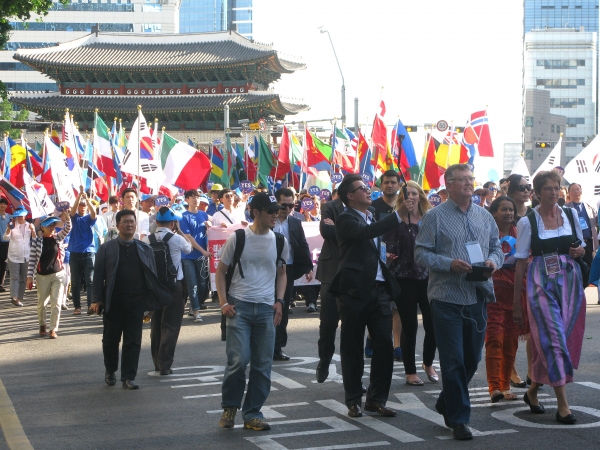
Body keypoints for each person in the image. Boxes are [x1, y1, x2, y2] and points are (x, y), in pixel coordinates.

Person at [414, 163, 503, 441]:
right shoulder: (434, 217)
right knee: (452, 361)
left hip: (477, 295)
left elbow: (497, 247)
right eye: (461, 179)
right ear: (448, 185)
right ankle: (459, 419)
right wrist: (449, 263)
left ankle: (446, 401)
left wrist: (492, 261)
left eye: (470, 178)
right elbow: (420, 254)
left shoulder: (485, 216)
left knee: (472, 358)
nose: (468, 183)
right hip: (446, 298)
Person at [513, 171, 586, 425]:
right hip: (539, 282)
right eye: (548, 188)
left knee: (556, 340)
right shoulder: (527, 222)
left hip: (569, 282)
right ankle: (563, 405)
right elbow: (521, 262)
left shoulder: (571, 214)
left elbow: (581, 247)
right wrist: (516, 303)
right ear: (537, 192)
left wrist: (579, 251)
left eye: (557, 188)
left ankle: (532, 391)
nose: (554, 192)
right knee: (554, 340)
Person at [329, 174, 403, 419]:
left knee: (384, 345)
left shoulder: (371, 216)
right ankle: (353, 400)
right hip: (353, 292)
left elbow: (371, 242)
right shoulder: (345, 218)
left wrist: (383, 260)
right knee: (352, 347)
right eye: (362, 188)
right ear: (350, 196)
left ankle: (376, 399)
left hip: (379, 291)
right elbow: (365, 233)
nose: (368, 190)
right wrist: (399, 215)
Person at [216, 193, 288, 431]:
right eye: (270, 211)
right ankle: (230, 406)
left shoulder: (279, 241)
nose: (275, 215)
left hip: (267, 309)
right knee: (239, 360)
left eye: (276, 211)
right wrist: (224, 303)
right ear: (256, 212)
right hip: (240, 308)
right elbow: (220, 272)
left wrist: (279, 301)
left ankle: (252, 414)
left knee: (263, 364)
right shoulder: (237, 238)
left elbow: (281, 273)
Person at [90, 209, 171, 390]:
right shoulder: (106, 248)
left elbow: (152, 277)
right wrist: (97, 300)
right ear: (117, 225)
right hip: (114, 302)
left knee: (133, 340)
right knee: (110, 340)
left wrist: (151, 303)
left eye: (132, 222)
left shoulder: (144, 248)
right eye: (125, 222)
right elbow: (98, 277)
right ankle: (110, 370)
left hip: (136, 302)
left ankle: (128, 377)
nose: (129, 225)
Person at [384, 181, 437, 386]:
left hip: (428, 278)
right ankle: (410, 371)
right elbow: (386, 245)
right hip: (403, 278)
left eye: (414, 193)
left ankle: (428, 363)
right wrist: (389, 252)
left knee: (433, 325)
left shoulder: (429, 219)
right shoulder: (395, 220)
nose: (411, 197)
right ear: (402, 198)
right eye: (407, 194)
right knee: (409, 326)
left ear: (420, 196)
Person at [485, 196, 529, 403]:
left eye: (511, 209)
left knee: (511, 342)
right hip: (492, 293)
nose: (509, 213)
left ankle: (504, 385)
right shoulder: (486, 233)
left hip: (515, 294)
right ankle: (494, 387)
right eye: (504, 209)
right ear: (494, 212)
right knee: (494, 339)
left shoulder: (520, 232)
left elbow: (529, 258)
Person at [142, 207, 192, 375]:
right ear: (173, 223)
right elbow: (189, 249)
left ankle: (157, 361)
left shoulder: (147, 240)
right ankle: (165, 364)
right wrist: (180, 232)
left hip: (154, 288)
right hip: (174, 287)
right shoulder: (177, 239)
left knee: (156, 325)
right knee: (171, 326)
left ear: (156, 222)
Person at [273, 188, 314, 361]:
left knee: (282, 307)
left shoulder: (295, 223)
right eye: (284, 205)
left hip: (287, 270)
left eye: (292, 205)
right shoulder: (268, 220)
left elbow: (303, 245)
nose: (288, 208)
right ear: (276, 202)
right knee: (266, 309)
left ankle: (278, 347)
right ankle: (261, 346)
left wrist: (309, 267)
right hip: (266, 270)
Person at [372, 170, 403, 361]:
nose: (389, 185)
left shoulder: (405, 207)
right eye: (386, 182)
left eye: (393, 182)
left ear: (400, 185)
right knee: (377, 304)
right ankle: (371, 338)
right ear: (381, 185)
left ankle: (397, 344)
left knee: (397, 305)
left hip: (402, 262)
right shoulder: (373, 207)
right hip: (377, 261)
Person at [506, 173, 533, 387]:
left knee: (534, 326)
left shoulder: (535, 214)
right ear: (512, 191)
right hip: (508, 276)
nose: (526, 190)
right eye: (522, 187)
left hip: (534, 276)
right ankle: (511, 369)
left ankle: (534, 371)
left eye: (528, 186)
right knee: (513, 326)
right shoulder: (505, 215)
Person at [27, 213, 71, 339]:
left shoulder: (57, 238)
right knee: (42, 304)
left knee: (56, 303)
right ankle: (42, 324)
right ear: (42, 227)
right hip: (42, 276)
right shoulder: (36, 242)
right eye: (49, 226)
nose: (52, 228)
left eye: (53, 225)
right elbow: (32, 260)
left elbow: (67, 229)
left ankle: (53, 328)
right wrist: (30, 276)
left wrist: (67, 219)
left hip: (58, 274)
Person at [179, 189, 211, 322]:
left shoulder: (204, 215)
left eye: (197, 197)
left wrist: (212, 226)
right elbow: (188, 237)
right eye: (192, 197)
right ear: (186, 200)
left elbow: (214, 229)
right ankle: (196, 311)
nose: (195, 199)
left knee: (202, 284)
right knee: (192, 283)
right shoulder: (183, 216)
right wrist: (202, 250)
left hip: (202, 256)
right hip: (188, 255)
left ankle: (194, 306)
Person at [69, 187, 97, 316]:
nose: (82, 207)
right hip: (75, 253)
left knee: (90, 280)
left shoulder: (89, 219)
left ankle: (90, 305)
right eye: (81, 205)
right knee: (75, 282)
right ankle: (77, 307)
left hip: (89, 253)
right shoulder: (75, 218)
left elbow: (94, 213)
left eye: (84, 205)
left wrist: (87, 199)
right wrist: (79, 196)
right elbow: (72, 211)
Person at [5, 206, 35, 307]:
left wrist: (33, 230)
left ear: (25, 215)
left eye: (21, 216)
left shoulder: (29, 225)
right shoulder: (12, 225)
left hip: (26, 255)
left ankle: (19, 298)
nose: (20, 218)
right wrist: (9, 229)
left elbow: (35, 239)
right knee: (14, 277)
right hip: (13, 255)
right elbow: (5, 237)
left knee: (23, 278)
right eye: (18, 216)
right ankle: (13, 296)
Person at [565, 182, 598, 269]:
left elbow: (597, 223)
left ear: (581, 191)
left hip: (590, 244)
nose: (576, 192)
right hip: (575, 245)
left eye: (578, 189)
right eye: (573, 190)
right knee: (578, 269)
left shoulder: (589, 207)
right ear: (569, 193)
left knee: (591, 269)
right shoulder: (565, 209)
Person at [0, 198, 12, 292]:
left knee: (4, 264)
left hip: (6, 243)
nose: (3, 206)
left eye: (4, 204)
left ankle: (1, 284)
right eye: (1, 204)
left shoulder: (9, 217)